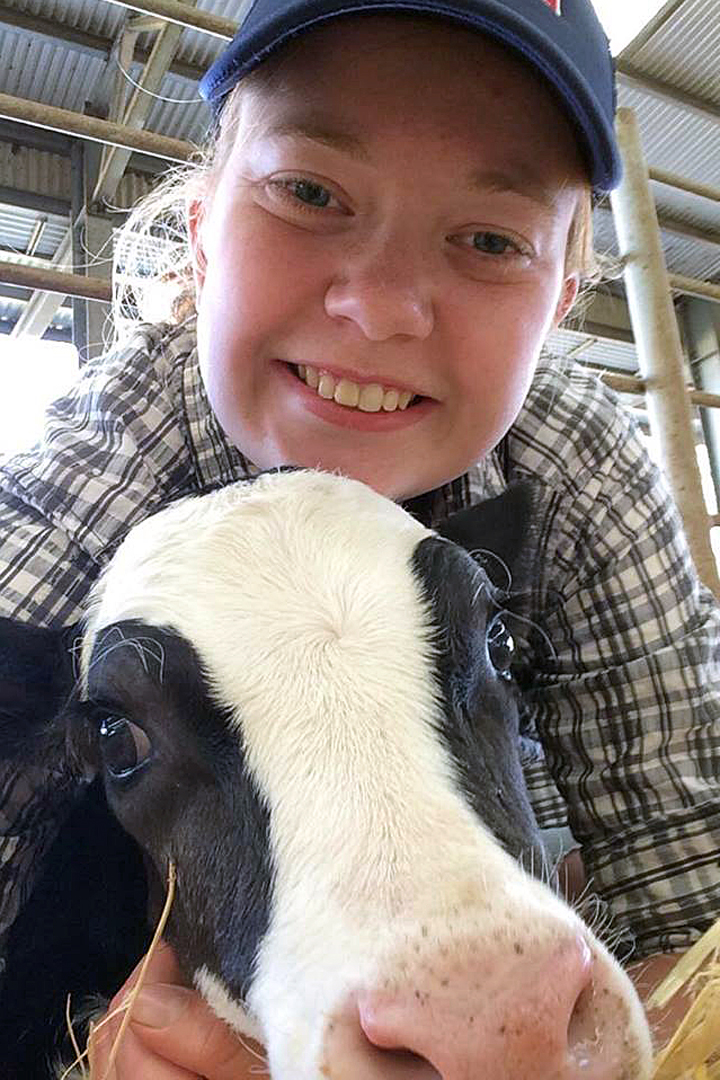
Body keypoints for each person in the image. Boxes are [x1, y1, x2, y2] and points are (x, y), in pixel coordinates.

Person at [1, 0, 718, 1076]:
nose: (381, 308)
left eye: (490, 240)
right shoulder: (78, 494)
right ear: (202, 233)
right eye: (309, 192)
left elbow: (689, 870)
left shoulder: (574, 460)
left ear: (560, 301)